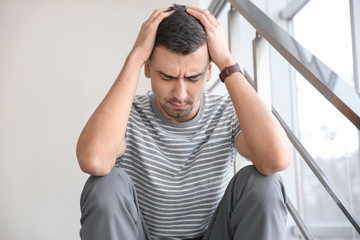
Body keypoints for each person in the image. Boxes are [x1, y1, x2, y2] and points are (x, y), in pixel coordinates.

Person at [76, 4, 291, 240]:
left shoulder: (226, 113)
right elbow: (94, 161)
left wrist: (227, 63)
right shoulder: (126, 114)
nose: (180, 93)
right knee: (105, 185)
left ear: (209, 73)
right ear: (148, 68)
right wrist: (135, 56)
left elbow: (276, 159)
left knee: (263, 183)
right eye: (167, 77)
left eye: (192, 77)